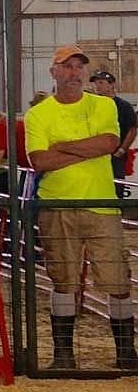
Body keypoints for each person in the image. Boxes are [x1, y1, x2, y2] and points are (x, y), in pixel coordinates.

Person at [24, 45, 136, 370]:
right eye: (67, 66)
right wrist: (89, 149)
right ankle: (63, 355)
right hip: (56, 205)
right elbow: (40, 160)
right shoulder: (38, 113)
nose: (74, 73)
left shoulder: (104, 105)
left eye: (78, 67)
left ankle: (126, 353)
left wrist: (63, 148)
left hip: (101, 204)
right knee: (63, 279)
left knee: (116, 277)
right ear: (53, 72)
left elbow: (110, 143)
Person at [89, 70, 137, 199]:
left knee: (116, 188)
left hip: (114, 156)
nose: (97, 86)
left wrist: (121, 150)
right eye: (95, 83)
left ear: (111, 85)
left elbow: (132, 129)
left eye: (101, 82)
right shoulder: (90, 105)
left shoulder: (123, 106)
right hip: (94, 156)